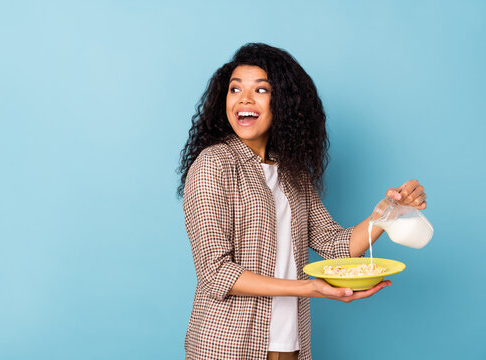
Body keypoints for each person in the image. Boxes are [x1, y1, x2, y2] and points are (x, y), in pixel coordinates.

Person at [177, 43, 427, 360]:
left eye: (261, 90)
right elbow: (215, 273)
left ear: (282, 102)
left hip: (290, 346)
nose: (244, 99)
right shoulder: (214, 164)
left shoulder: (293, 173)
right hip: (228, 347)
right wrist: (307, 287)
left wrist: (386, 214)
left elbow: (335, 244)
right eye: (235, 89)